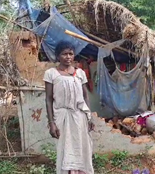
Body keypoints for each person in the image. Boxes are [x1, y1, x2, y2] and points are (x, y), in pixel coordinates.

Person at [43, 41, 94, 174]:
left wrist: (90, 118)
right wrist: (51, 123)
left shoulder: (80, 73)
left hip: (79, 116)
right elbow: (48, 99)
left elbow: (85, 96)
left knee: (82, 147)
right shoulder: (51, 73)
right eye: (64, 54)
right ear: (58, 56)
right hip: (62, 117)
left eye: (70, 54)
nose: (68, 57)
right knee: (65, 149)